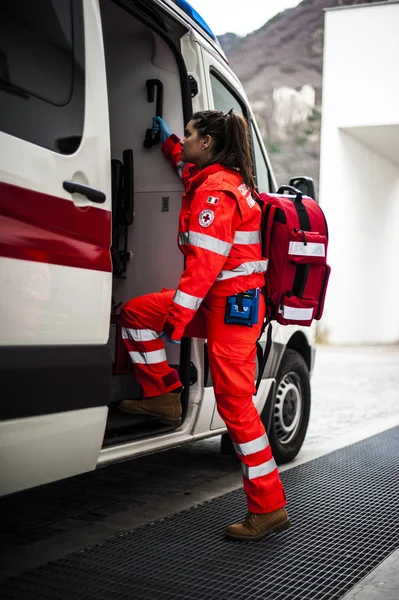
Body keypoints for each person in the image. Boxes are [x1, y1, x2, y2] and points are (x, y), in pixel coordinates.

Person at [119, 110, 289, 541]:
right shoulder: (217, 178)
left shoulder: (216, 193)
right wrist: (171, 143)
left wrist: (176, 321)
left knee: (236, 407)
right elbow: (189, 166)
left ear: (209, 144)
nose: (188, 141)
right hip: (220, 301)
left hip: (230, 306)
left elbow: (203, 267)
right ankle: (162, 396)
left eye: (193, 135)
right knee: (137, 313)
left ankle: (268, 507)